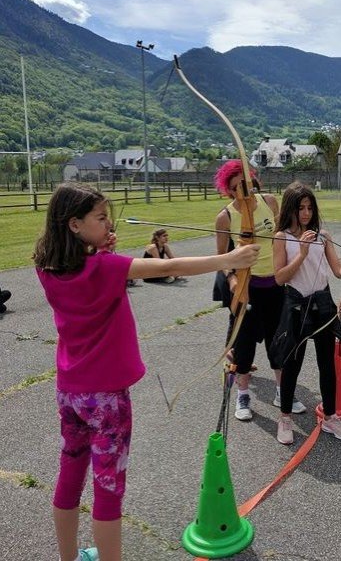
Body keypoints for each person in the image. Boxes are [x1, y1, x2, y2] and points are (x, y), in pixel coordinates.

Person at [33, 183, 259, 561]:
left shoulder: (48, 267)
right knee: (108, 488)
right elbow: (168, 266)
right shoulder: (105, 267)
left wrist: (101, 247)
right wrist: (229, 260)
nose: (108, 224)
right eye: (100, 218)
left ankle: (69, 558)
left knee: (70, 475)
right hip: (107, 399)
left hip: (71, 392)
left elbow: (87, 277)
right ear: (74, 224)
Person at [214, 160, 306, 421]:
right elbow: (221, 258)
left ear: (252, 180)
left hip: (274, 284)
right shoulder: (226, 216)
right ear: (229, 191)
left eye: (245, 183)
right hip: (246, 287)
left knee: (279, 341)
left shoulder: (270, 202)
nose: (241, 191)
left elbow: (281, 237)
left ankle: (282, 390)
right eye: (234, 188)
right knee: (243, 345)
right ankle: (243, 395)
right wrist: (232, 279)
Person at [272, 181, 341, 445]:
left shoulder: (322, 235)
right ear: (290, 208)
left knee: (327, 364)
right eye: (300, 207)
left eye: (310, 207)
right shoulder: (281, 238)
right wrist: (301, 252)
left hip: (323, 303)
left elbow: (337, 270)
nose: (305, 213)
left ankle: (331, 418)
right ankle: (285, 417)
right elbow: (280, 278)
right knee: (292, 364)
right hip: (296, 303)